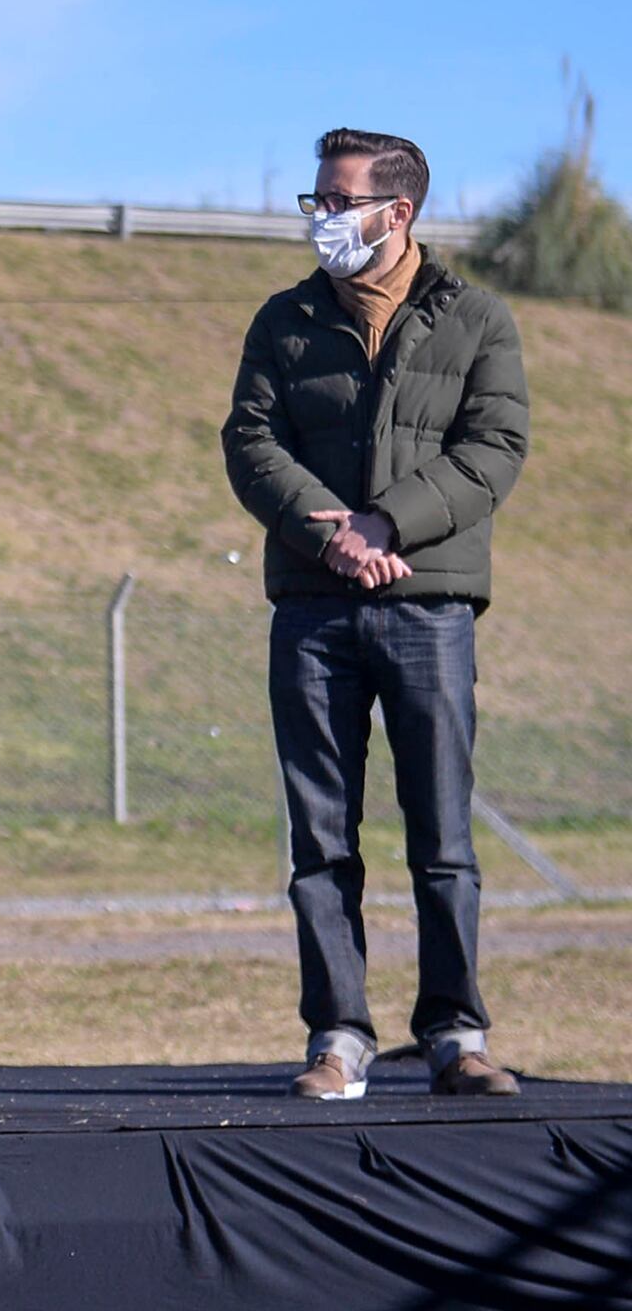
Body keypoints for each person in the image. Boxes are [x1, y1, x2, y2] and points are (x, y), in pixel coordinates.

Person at [223, 127, 528, 1101]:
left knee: (442, 836)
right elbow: (251, 438)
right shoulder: (285, 319)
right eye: (315, 199)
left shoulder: (475, 317)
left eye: (337, 198)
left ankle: (455, 1030)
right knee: (321, 840)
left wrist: (390, 520)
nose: (321, 216)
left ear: (398, 211)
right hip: (314, 610)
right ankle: (338, 1034)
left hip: (429, 608)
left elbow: (495, 445)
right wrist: (334, 538)